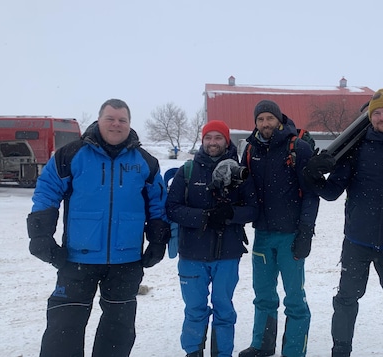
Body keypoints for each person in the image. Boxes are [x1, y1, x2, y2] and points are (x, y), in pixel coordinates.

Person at [26, 98, 170, 357]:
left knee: (119, 329)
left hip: (126, 261)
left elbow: (158, 203)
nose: (116, 124)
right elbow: (47, 192)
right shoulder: (71, 155)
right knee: (64, 326)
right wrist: (40, 235)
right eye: (110, 119)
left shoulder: (145, 162)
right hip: (76, 258)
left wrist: (158, 241)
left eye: (122, 120)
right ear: (99, 120)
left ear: (129, 124)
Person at [302, 88, 383, 357]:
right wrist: (312, 175)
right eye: (378, 112)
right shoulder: (355, 151)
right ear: (371, 117)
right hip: (356, 244)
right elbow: (331, 192)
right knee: (346, 300)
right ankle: (341, 351)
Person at [166, 120, 258, 357]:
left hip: (227, 253)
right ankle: (193, 351)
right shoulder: (187, 171)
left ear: (226, 141)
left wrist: (230, 214)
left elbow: (253, 209)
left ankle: (222, 353)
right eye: (209, 137)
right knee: (195, 308)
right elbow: (172, 208)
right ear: (202, 140)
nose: (213, 142)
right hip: (192, 254)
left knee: (224, 308)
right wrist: (204, 217)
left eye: (218, 137)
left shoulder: (241, 173)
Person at [238, 100, 320, 357]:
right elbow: (244, 191)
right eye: (260, 119)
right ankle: (262, 345)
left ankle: (294, 351)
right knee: (263, 295)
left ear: (278, 120)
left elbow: (310, 194)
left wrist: (306, 231)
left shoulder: (298, 148)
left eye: (269, 119)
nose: (265, 124)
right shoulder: (251, 149)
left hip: (291, 235)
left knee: (294, 299)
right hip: (262, 234)